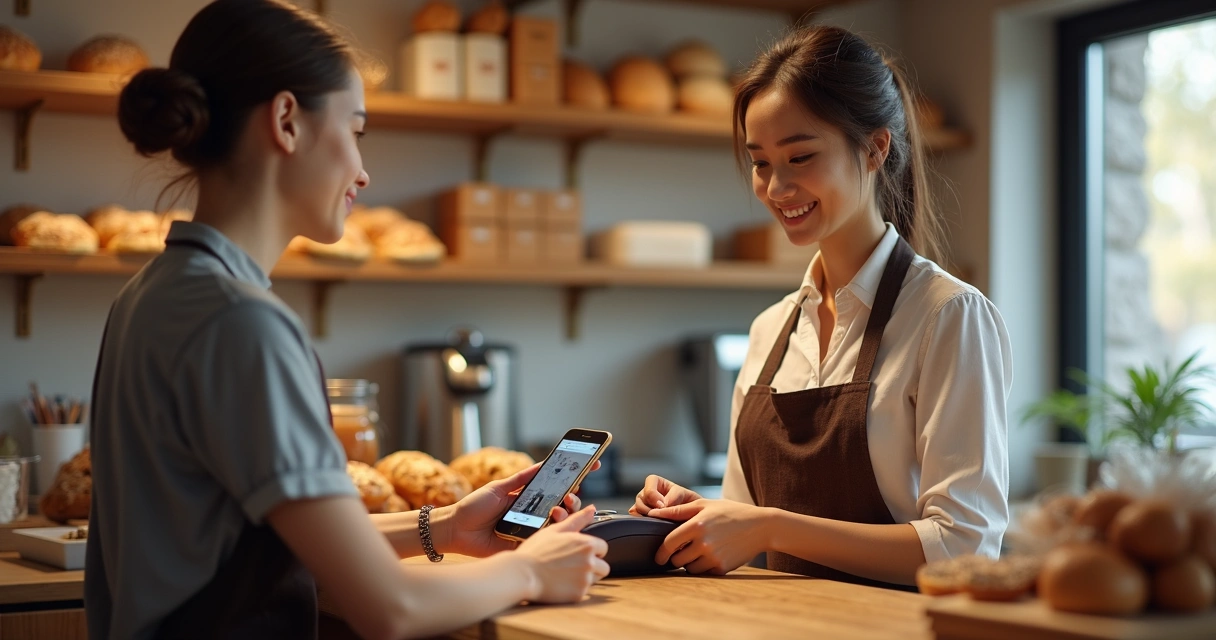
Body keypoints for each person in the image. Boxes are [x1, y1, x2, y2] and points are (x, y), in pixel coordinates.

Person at [85, 2, 608, 638]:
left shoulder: (151, 293)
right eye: (355, 130)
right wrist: (533, 571)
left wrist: (445, 527)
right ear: (286, 121)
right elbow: (391, 609)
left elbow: (265, 540)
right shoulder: (243, 324)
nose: (363, 171)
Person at [631, 25, 1012, 589]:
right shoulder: (769, 332)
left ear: (876, 148)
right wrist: (700, 516)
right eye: (760, 163)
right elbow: (747, 519)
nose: (776, 186)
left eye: (801, 156)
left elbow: (963, 546)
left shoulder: (948, 316)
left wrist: (768, 528)